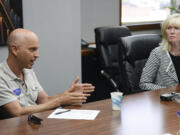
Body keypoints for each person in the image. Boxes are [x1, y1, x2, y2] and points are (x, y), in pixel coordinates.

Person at [0, 28, 95, 119]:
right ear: (15, 50)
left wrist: (67, 95)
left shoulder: (28, 70)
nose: (37, 55)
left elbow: (44, 100)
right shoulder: (1, 76)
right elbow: (17, 112)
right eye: (32, 49)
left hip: (33, 124)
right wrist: (59, 101)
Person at [139, 13, 180, 90]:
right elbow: (144, 83)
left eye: (177, 28)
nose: (172, 32)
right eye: (169, 28)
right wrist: (167, 91)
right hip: (165, 99)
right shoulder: (158, 53)